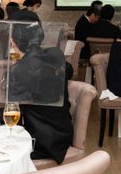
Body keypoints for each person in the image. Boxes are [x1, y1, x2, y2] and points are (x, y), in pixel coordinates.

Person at [8, 12, 73, 164]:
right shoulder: (55, 54)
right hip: (62, 136)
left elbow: (15, 112)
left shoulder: (20, 70)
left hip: (40, 144)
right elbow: (69, 71)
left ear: (13, 41)